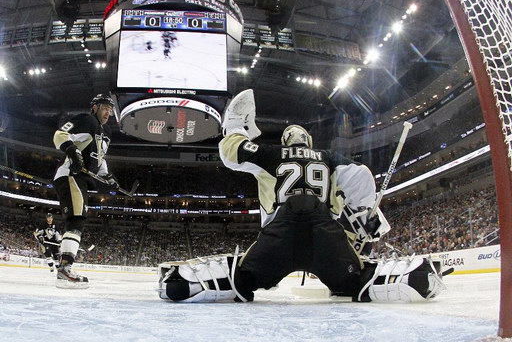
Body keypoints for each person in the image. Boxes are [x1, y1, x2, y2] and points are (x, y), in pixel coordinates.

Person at [158, 89, 450, 303]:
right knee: (355, 280)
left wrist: (235, 127)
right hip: (326, 236)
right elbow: (361, 176)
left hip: (278, 235)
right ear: (310, 141)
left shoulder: (271, 154)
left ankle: (182, 284)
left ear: (286, 141)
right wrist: (363, 217)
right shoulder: (329, 157)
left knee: (243, 278)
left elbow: (231, 154)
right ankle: (415, 277)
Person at [53, 93, 119, 288]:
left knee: (77, 220)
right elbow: (60, 135)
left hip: (81, 178)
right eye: (105, 107)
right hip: (71, 175)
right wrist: (72, 151)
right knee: (76, 220)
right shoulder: (86, 119)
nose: (108, 112)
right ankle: (64, 270)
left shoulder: (106, 132)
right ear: (95, 107)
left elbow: (100, 158)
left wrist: (108, 176)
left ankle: (64, 268)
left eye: (110, 109)